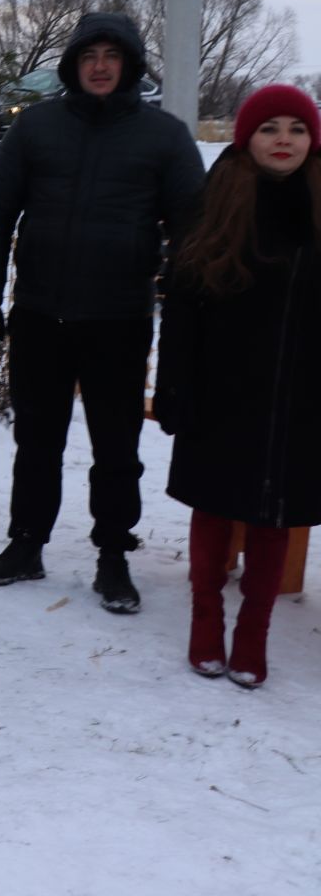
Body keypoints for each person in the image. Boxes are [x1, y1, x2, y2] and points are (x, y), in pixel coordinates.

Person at [0, 12, 204, 612]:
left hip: (119, 318)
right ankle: (26, 543)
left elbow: (193, 233)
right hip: (41, 313)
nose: (99, 65)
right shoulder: (38, 128)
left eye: (111, 55)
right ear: (72, 65)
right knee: (37, 440)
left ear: (129, 65)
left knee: (116, 447)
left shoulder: (164, 136)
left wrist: (184, 312)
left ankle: (113, 555)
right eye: (89, 55)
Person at [155, 85, 321, 687]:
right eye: (270, 128)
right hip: (221, 390)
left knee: (276, 515)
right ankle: (206, 622)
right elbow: (182, 305)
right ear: (247, 137)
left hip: (296, 397)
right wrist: (175, 384)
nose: (284, 139)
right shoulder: (217, 201)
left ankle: (254, 633)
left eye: (297, 129)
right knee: (217, 506)